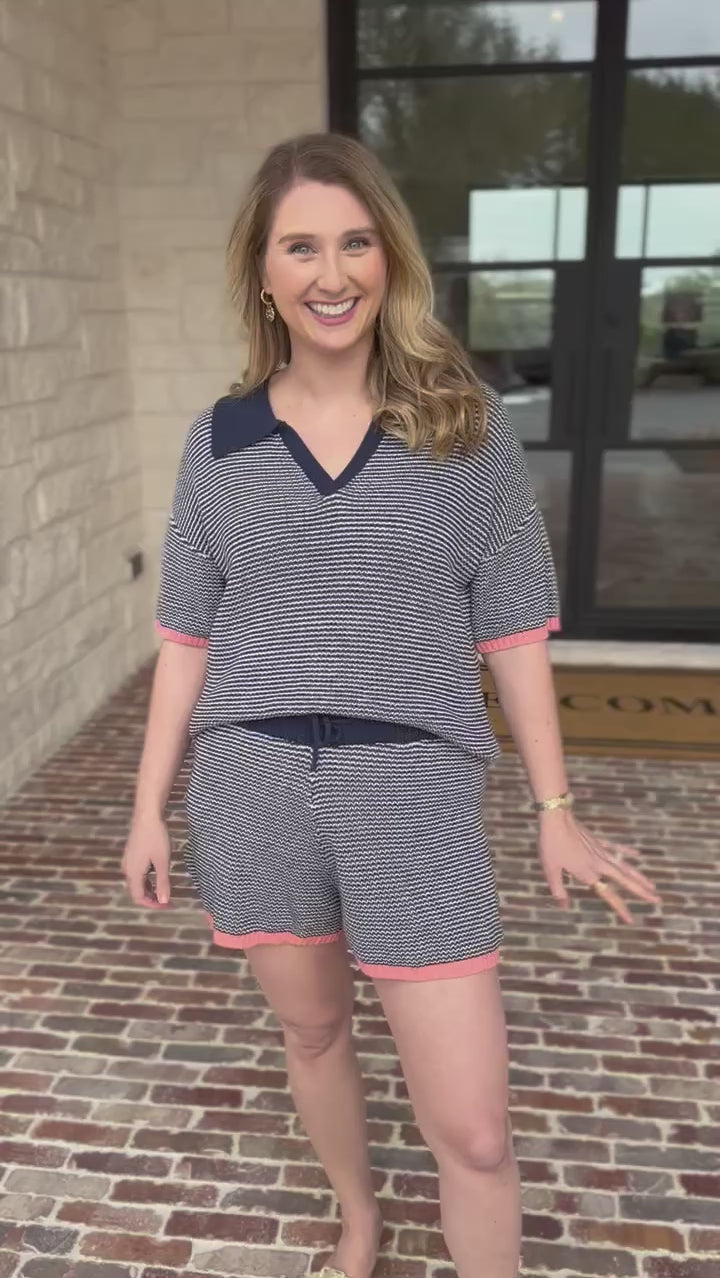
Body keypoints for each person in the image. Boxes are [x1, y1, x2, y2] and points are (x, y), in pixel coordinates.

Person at [121, 132, 662, 1278]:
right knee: (314, 1031)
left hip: (413, 790)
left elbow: (513, 629)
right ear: (262, 273)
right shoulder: (219, 440)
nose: (332, 274)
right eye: (301, 247)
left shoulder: (463, 425)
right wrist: (145, 808)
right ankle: (358, 1219)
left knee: (475, 1131)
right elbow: (186, 637)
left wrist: (555, 807)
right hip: (252, 785)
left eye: (356, 242)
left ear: (390, 259)